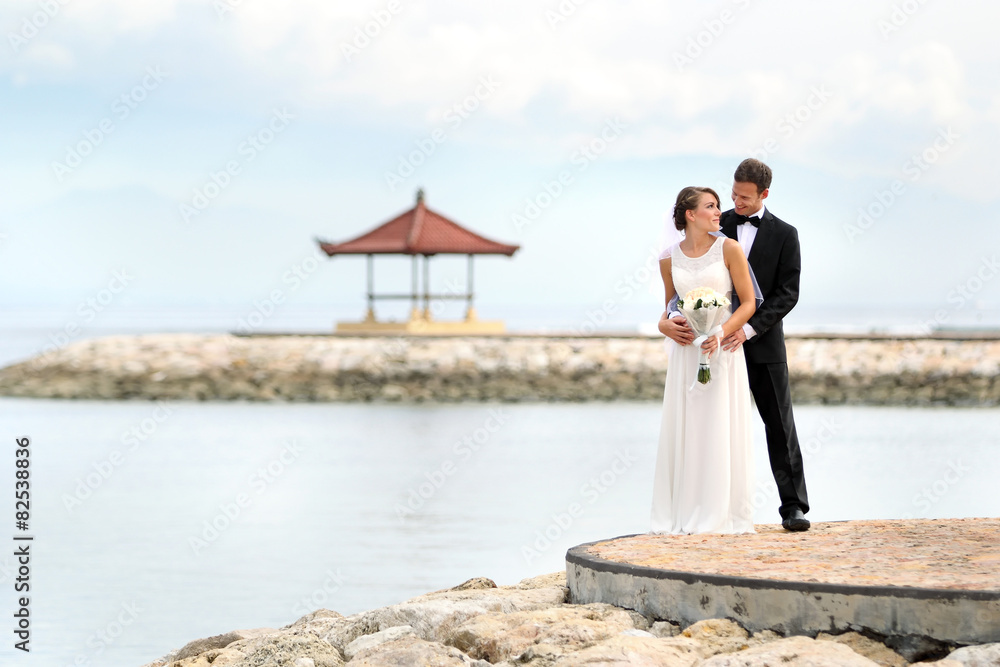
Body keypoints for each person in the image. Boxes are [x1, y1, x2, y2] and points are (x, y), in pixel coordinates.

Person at [661, 159, 810, 532]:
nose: (734, 204)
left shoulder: (785, 234)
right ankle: (704, 506)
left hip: (759, 342)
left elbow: (786, 295)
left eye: (743, 198)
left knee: (778, 422)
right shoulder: (714, 222)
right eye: (732, 195)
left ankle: (793, 507)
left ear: (764, 194)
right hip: (705, 344)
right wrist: (669, 321)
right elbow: (679, 290)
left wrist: (746, 330)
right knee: (707, 425)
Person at [650, 186, 758, 535]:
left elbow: (748, 303)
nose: (719, 212)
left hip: (721, 350)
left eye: (719, 206)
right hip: (686, 353)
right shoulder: (668, 258)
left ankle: (720, 512)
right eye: (711, 206)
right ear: (690, 215)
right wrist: (663, 325)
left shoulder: (730, 249)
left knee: (719, 426)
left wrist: (722, 331)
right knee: (689, 428)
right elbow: (670, 306)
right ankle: (683, 511)